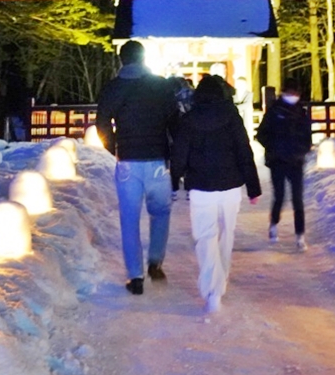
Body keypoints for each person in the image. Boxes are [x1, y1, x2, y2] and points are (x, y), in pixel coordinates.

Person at [171, 74, 262, 313]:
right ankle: (220, 281)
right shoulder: (232, 117)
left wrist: (173, 180)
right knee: (226, 234)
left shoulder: (189, 120)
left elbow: (180, 153)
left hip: (201, 187)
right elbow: (244, 151)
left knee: (205, 237)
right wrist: (253, 187)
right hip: (231, 186)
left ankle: (213, 288)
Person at [96, 41, 180, 295]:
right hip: (157, 161)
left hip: (128, 161)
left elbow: (102, 122)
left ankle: (135, 277)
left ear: (122, 60)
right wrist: (175, 155)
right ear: (144, 59)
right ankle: (155, 261)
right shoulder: (161, 85)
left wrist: (113, 149)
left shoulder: (113, 87)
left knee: (130, 219)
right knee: (161, 212)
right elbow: (174, 121)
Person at [255, 78, 313, 251]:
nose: (294, 96)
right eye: (291, 93)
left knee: (298, 199)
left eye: (296, 93)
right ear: (284, 92)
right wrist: (273, 148)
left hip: (296, 161)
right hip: (278, 161)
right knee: (279, 196)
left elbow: (307, 136)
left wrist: (302, 149)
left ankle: (300, 235)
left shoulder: (301, 112)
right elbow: (262, 134)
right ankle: (273, 224)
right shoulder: (274, 111)